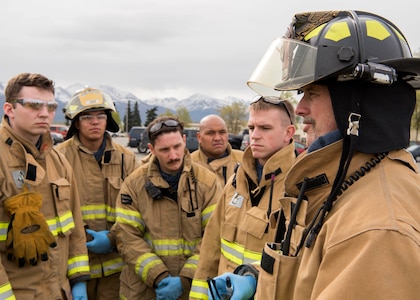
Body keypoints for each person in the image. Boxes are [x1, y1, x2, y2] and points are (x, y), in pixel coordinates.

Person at [208, 10, 420, 299]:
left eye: (313, 93)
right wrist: (257, 278)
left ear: (355, 103)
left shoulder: (377, 228)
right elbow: (315, 268)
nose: (300, 109)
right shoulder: (345, 179)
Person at [189, 97, 297, 299]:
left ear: (288, 133)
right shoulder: (236, 181)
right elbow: (211, 248)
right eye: (251, 127)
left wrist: (252, 278)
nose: (254, 135)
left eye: (265, 128)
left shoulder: (299, 187)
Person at [0, 73, 90, 299]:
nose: (45, 114)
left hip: (59, 291)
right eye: (34, 105)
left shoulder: (58, 160)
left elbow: (76, 227)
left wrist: (78, 280)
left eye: (51, 107)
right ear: (9, 109)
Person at [114, 116, 223, 299]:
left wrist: (185, 279)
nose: (173, 156)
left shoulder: (208, 183)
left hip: (191, 290)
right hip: (145, 291)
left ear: (184, 141)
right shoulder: (134, 185)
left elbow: (213, 237)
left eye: (177, 147)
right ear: (151, 149)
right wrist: (158, 276)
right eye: (164, 150)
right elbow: (128, 238)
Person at [56, 87, 138, 299]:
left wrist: (112, 238)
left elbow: (141, 210)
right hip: (73, 269)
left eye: (100, 116)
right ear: (76, 122)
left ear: (108, 120)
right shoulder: (57, 159)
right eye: (87, 117)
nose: (95, 122)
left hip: (118, 271)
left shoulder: (127, 159)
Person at [191, 114, 243, 186]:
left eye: (222, 132)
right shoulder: (189, 165)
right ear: (199, 137)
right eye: (210, 133)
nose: (217, 138)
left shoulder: (244, 160)